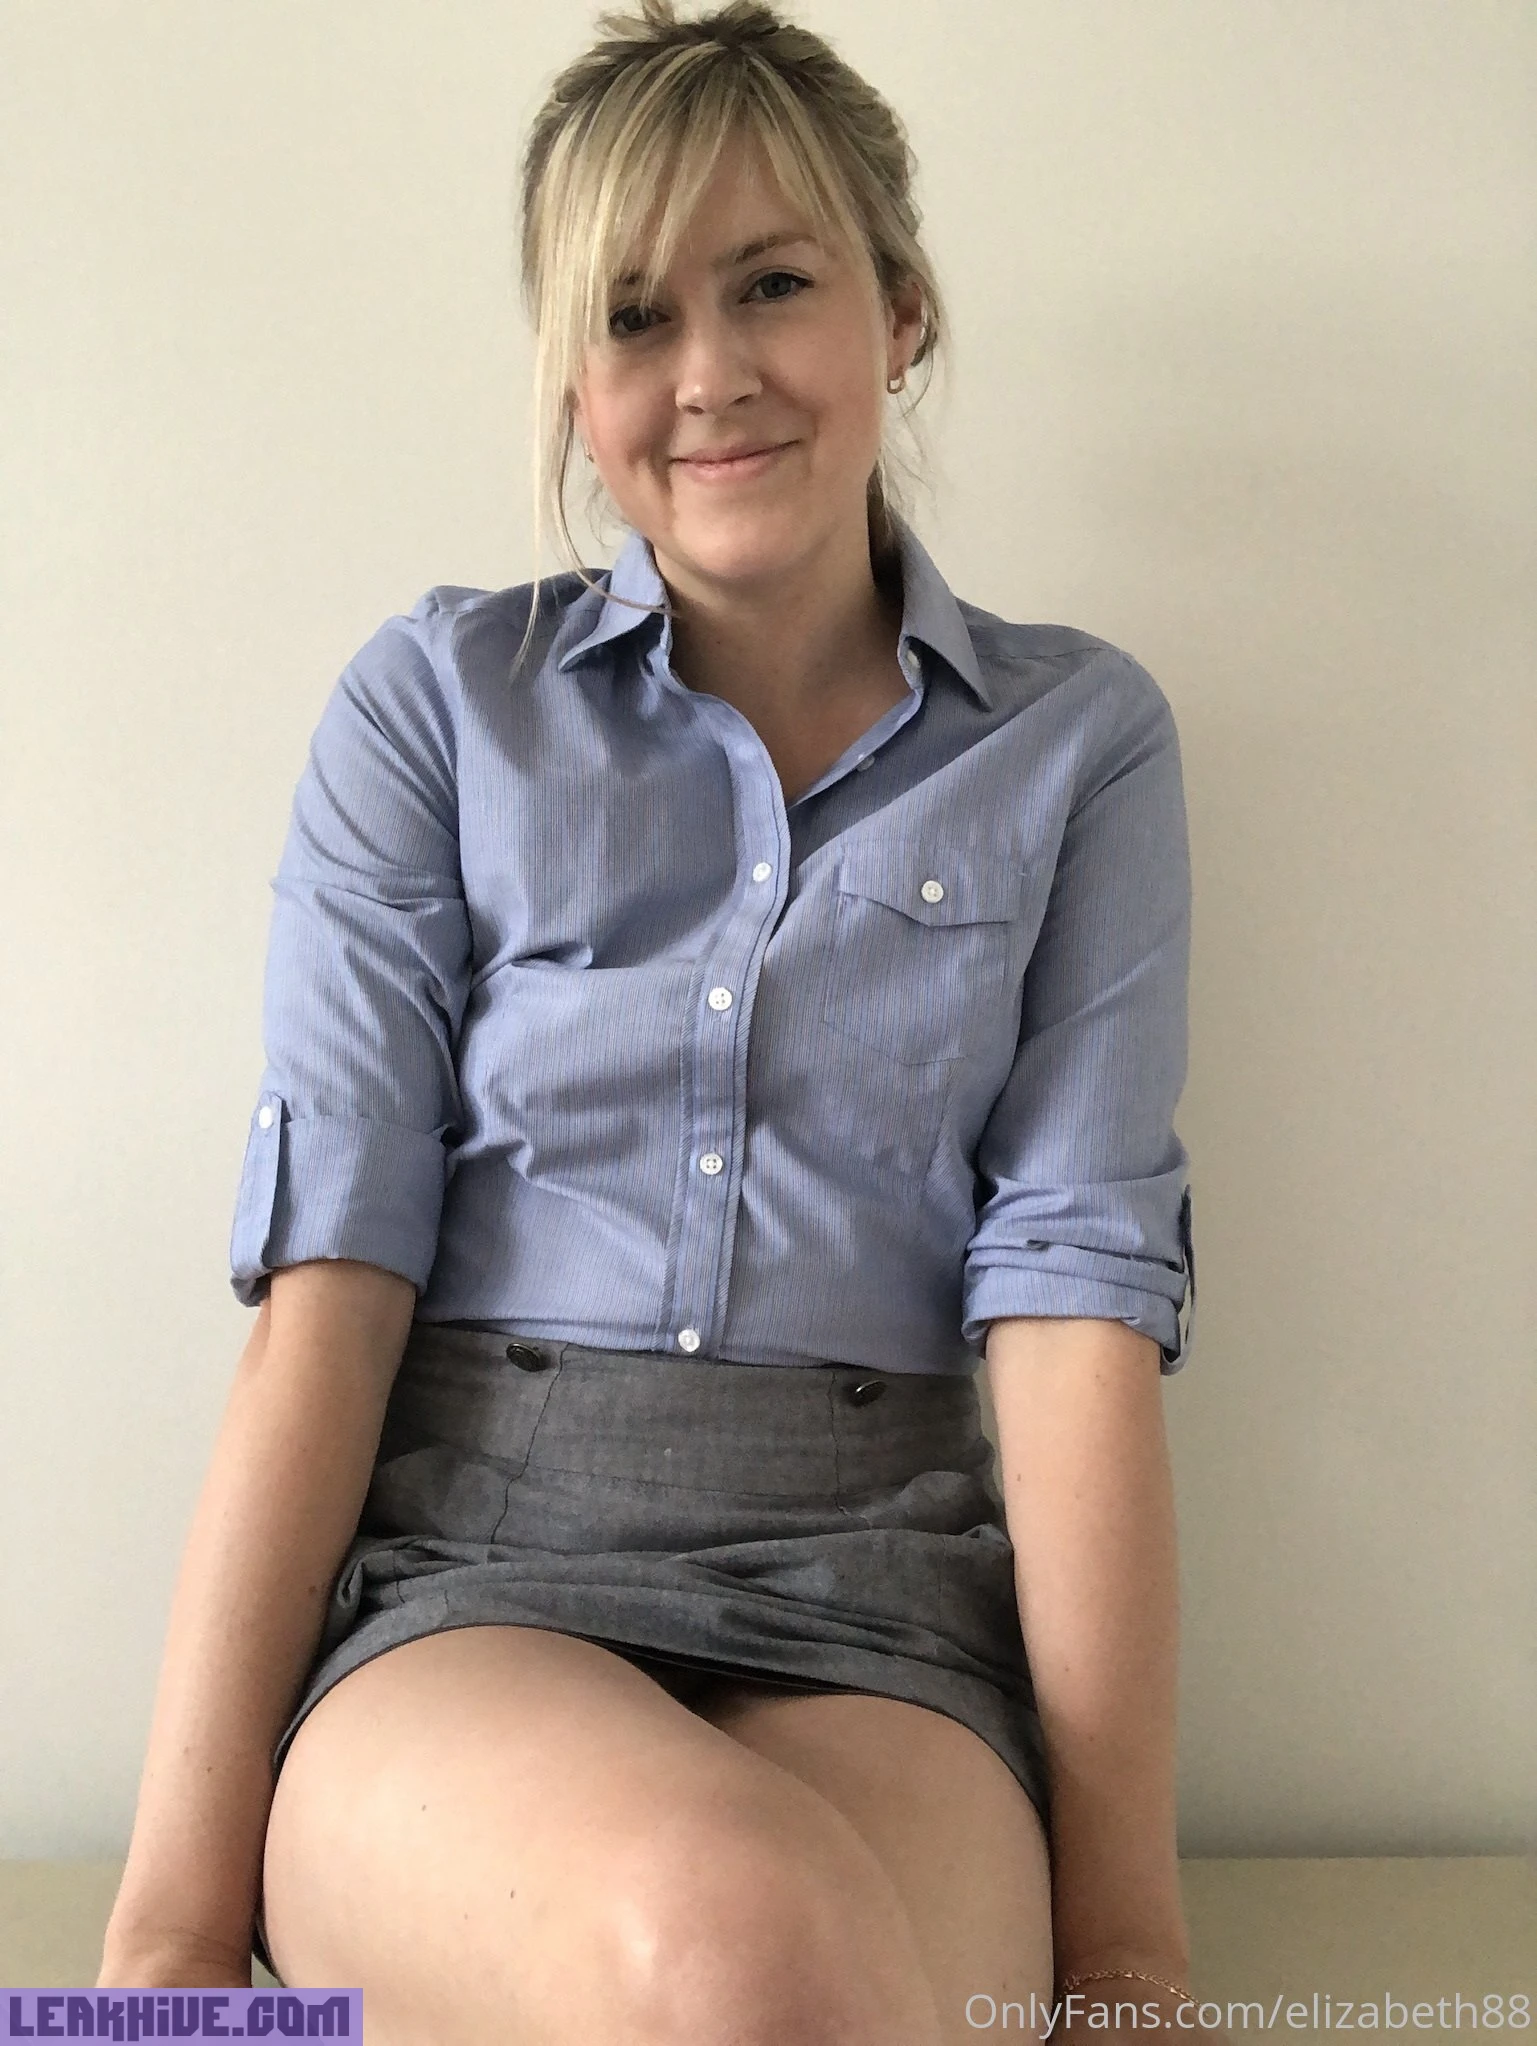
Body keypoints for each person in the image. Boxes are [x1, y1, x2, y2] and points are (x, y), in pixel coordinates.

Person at [98, 2, 1205, 2040]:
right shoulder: (438, 711)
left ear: (903, 310)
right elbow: (330, 1296)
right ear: (574, 383)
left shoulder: (1080, 746)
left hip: (888, 1616)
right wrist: (166, 1940)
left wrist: (1132, 1960)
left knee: (795, 1976)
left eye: (772, 283)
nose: (709, 374)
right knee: (736, 1941)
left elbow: (1073, 1317)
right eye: (631, 316)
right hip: (471, 1592)